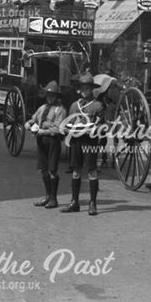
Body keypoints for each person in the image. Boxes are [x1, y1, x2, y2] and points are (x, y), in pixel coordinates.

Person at [60, 73, 105, 215]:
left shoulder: (98, 106)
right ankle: (74, 202)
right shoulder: (74, 105)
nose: (85, 90)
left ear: (92, 89)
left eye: (87, 88)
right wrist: (68, 129)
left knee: (92, 171)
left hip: (89, 141)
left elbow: (102, 126)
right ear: (79, 89)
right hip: (76, 141)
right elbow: (69, 123)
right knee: (75, 170)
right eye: (82, 88)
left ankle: (93, 203)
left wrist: (93, 130)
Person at [28, 81, 67, 209]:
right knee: (43, 169)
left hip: (52, 141)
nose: (50, 97)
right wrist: (29, 124)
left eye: (53, 95)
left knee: (52, 170)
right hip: (41, 141)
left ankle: (53, 198)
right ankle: (47, 195)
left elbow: (58, 129)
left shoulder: (60, 110)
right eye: (48, 95)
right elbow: (34, 119)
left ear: (56, 96)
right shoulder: (42, 108)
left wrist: (43, 130)